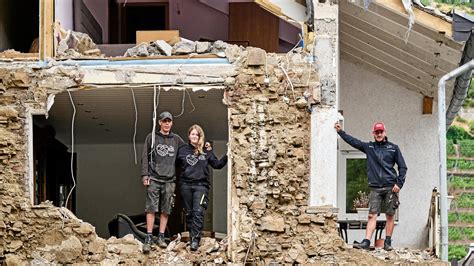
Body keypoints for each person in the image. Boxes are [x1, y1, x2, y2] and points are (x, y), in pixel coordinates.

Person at [334, 121, 407, 251]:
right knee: (371, 215)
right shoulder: (369, 147)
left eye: (381, 132)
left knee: (390, 215)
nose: (379, 134)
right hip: (375, 187)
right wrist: (340, 132)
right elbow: (354, 142)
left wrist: (399, 184)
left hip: (391, 187)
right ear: (373, 133)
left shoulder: (393, 148)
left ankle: (388, 242)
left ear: (385, 132)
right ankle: (366, 241)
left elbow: (403, 167)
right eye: (376, 132)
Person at [176, 124, 228, 251]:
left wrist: (228, 154)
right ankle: (192, 235)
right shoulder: (182, 150)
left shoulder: (206, 150)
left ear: (200, 136)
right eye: (192, 134)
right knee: (189, 213)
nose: (194, 137)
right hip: (186, 185)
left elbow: (217, 165)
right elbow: (174, 165)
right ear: (189, 136)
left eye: (197, 135)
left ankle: (195, 240)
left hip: (201, 186)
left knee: (198, 212)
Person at [141, 111, 185, 253]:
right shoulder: (152, 137)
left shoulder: (177, 139)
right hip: (153, 178)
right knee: (151, 208)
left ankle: (160, 237)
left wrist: (203, 147)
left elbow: (187, 152)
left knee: (166, 209)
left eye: (169, 121)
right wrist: (144, 175)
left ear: (172, 123)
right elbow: (144, 157)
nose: (166, 123)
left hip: (170, 179)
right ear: (159, 122)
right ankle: (148, 237)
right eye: (164, 121)